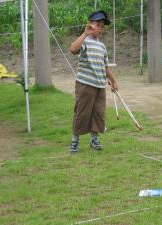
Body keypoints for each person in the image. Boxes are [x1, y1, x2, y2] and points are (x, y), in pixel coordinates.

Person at [69, 10, 118, 153]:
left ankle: (94, 139)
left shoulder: (102, 47)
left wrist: (113, 81)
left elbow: (105, 67)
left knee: (98, 113)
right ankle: (75, 141)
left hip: (99, 86)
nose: (100, 28)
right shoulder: (85, 41)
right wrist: (85, 34)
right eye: (97, 25)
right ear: (90, 25)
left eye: (102, 26)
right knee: (82, 112)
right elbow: (73, 49)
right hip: (85, 85)